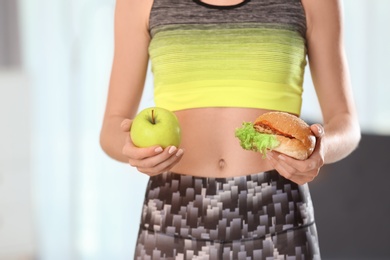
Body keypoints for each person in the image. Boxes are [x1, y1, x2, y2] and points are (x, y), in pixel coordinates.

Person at [100, 0, 361, 258]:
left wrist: (321, 148)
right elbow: (112, 127)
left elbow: (345, 122)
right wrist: (131, 149)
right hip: (173, 210)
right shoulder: (137, 3)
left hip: (277, 210)